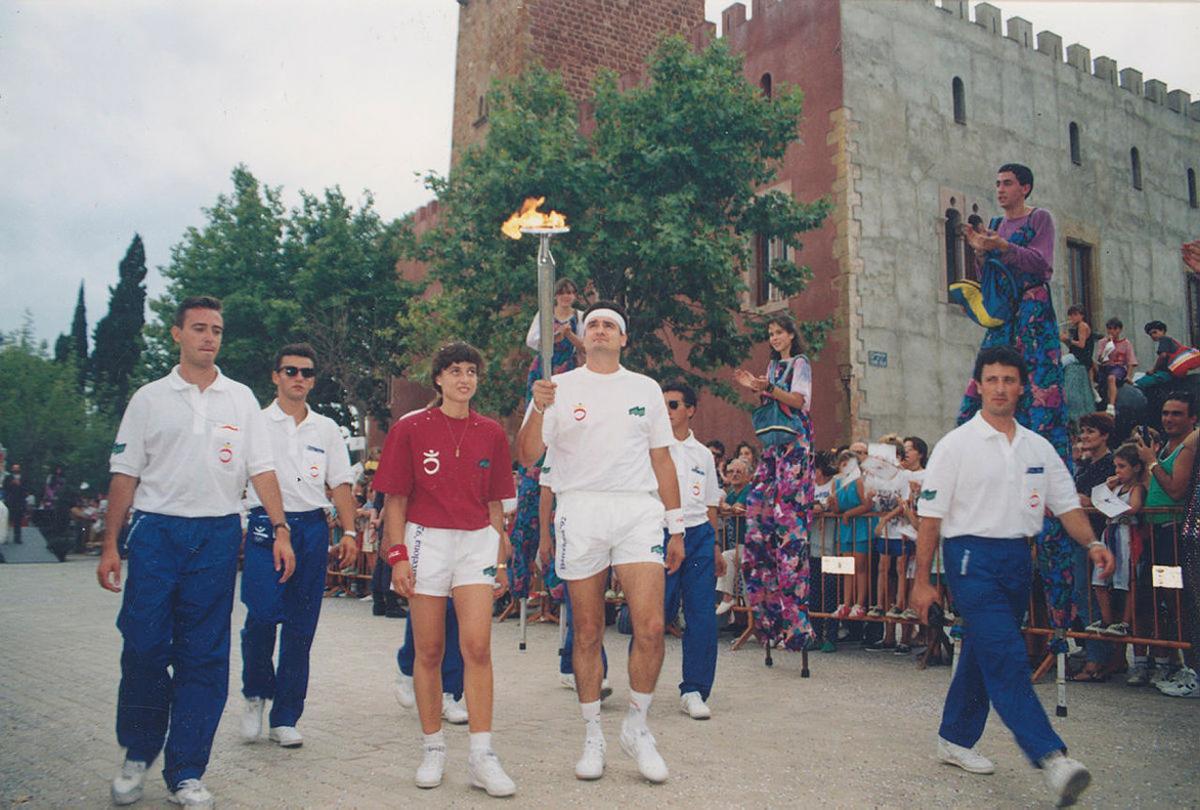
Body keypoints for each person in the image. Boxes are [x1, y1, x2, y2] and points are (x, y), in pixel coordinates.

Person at [97, 296, 292, 809]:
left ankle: (186, 770)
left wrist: (280, 528)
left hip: (217, 534)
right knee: (142, 645)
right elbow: (125, 475)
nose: (210, 338)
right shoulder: (149, 398)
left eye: (217, 330)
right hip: (157, 533)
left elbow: (262, 469)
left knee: (202, 656)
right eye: (200, 328)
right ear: (177, 334)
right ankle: (138, 752)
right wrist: (110, 544)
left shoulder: (241, 399)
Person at [911, 345, 1114, 807]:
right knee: (1005, 653)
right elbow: (930, 519)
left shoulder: (1038, 447)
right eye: (992, 380)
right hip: (969, 559)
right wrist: (922, 581)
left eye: (1009, 380)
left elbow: (1065, 505)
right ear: (978, 386)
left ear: (1021, 387)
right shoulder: (955, 445)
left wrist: (1095, 544)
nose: (1000, 388)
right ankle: (1052, 758)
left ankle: (954, 737)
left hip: (1017, 559)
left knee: (985, 652)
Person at [518, 299, 684, 784]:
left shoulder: (646, 389)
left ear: (623, 338)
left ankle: (637, 726)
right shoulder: (557, 387)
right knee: (587, 632)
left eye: (610, 325)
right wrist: (537, 407)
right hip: (581, 508)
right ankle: (593, 732)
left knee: (651, 626)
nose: (601, 330)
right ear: (583, 336)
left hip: (637, 509)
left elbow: (663, 461)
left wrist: (676, 525)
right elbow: (527, 453)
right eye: (593, 325)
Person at [375, 341, 517, 796]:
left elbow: (496, 504)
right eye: (455, 370)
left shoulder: (491, 431)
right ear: (438, 378)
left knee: (477, 647)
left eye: (471, 371)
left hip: (476, 542)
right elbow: (395, 499)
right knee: (430, 650)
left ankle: (481, 755)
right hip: (425, 540)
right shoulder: (411, 428)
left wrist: (498, 560)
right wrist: (397, 555)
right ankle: (433, 748)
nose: (464, 379)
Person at [958, 163, 1076, 636]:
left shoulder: (1037, 219)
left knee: (1042, 413)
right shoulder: (997, 225)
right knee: (975, 410)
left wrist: (1001, 247)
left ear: (1024, 187)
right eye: (998, 183)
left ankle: (1063, 624)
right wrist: (980, 249)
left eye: (1008, 183)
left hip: (1032, 317)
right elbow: (992, 283)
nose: (1000, 189)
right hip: (1002, 321)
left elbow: (1041, 266)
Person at [237, 343, 358, 749]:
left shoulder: (325, 429)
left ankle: (285, 715)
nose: (299, 379)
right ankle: (255, 692)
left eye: (306, 373)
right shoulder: (255, 422)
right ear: (275, 376)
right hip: (266, 526)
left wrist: (350, 531)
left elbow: (340, 481)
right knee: (263, 613)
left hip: (311, 527)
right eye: (290, 371)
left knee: (300, 626)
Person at [733, 314, 815, 653]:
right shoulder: (772, 365)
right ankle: (770, 621)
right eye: (771, 333)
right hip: (772, 446)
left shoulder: (800, 363)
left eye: (780, 332)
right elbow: (772, 402)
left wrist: (768, 387)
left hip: (795, 444)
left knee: (789, 526)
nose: (775, 338)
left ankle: (797, 626)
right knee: (758, 516)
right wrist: (758, 387)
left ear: (792, 334)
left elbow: (799, 402)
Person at [510, 278, 587, 604]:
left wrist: (568, 334)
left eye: (570, 292)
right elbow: (533, 341)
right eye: (562, 293)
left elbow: (584, 348)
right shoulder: (545, 313)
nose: (566, 297)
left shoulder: (580, 317)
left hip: (569, 366)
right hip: (547, 366)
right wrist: (551, 336)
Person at [660, 381, 724, 719]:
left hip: (698, 535)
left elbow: (711, 502)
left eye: (672, 405)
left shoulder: (702, 454)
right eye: (663, 405)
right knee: (653, 615)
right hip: (662, 532)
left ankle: (695, 689)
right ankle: (641, 686)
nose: (666, 412)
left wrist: (713, 546)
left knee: (701, 616)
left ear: (690, 410)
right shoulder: (652, 447)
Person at [1130, 393, 1198, 694]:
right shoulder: (1164, 447)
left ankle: (1185, 665)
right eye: (1166, 413)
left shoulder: (1185, 449)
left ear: (1191, 419)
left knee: (1174, 600)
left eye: (1177, 414)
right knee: (1152, 598)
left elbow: (1174, 489)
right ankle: (1165, 659)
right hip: (1154, 535)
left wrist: (1152, 461)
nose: (1169, 419)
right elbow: (1152, 486)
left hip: (1173, 536)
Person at [715, 458, 752, 616]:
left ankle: (754, 624)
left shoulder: (749, 489)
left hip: (752, 544)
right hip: (739, 544)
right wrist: (725, 506)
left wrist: (727, 507)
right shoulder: (732, 493)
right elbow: (722, 504)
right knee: (728, 558)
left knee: (748, 585)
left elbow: (738, 507)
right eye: (731, 471)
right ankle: (728, 598)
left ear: (748, 476)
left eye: (739, 472)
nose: (735, 474)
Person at [1094, 318, 1137, 416]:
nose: (1111, 331)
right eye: (1109, 329)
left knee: (1111, 378)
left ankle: (1111, 406)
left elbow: (1131, 361)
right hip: (1105, 367)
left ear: (1119, 330)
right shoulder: (1102, 342)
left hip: (1118, 368)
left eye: (1114, 329)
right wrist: (1107, 347)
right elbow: (1100, 359)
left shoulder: (1126, 343)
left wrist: (1129, 376)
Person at [1134, 320, 1185, 393]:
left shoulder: (1164, 339)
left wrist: (1153, 370)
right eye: (1151, 334)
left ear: (1162, 330)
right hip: (1173, 374)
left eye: (1155, 332)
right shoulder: (1171, 341)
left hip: (1166, 373)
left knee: (1138, 384)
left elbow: (1162, 356)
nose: (1153, 336)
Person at [3, 462, 29, 544]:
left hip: (20, 503)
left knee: (18, 521)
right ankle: (5, 537)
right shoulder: (8, 477)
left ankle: (17, 538)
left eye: (17, 468)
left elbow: (26, 490)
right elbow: (5, 487)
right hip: (10, 502)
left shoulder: (24, 478)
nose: (16, 469)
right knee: (7, 521)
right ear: (12, 469)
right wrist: (12, 483)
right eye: (14, 468)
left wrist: (19, 484)